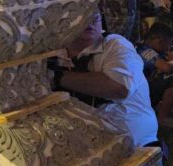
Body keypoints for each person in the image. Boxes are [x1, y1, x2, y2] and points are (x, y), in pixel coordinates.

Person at [53, 11, 159, 148]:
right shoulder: (53, 52)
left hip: (130, 140)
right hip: (81, 138)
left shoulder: (116, 44)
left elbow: (118, 88)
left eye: (94, 16)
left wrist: (56, 77)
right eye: (81, 15)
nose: (90, 21)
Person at [137, 22, 173, 129]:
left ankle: (166, 110)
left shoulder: (157, 50)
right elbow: (166, 67)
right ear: (160, 41)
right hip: (139, 95)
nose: (170, 47)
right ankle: (161, 118)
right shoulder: (145, 50)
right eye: (169, 43)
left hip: (144, 91)